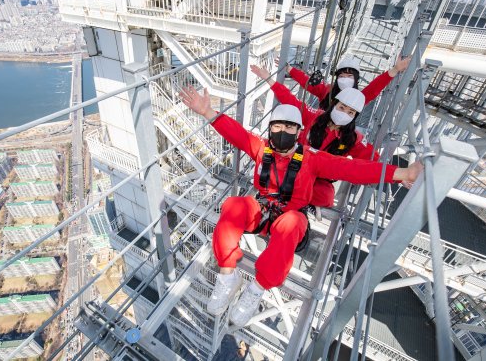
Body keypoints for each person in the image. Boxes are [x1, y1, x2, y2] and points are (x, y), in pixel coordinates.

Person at [178, 86, 423, 328]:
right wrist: (207, 111)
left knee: (292, 222)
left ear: (298, 131)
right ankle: (227, 276)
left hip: (291, 218)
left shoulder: (312, 158)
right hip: (263, 212)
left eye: (289, 126)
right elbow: (236, 134)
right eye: (277, 126)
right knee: (233, 205)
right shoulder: (261, 148)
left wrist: (400, 172)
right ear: (270, 128)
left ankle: (256, 288)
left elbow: (353, 169)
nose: (282, 131)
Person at [250, 64, 404, 208]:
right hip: (296, 164)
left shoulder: (351, 139)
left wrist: (398, 175)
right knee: (277, 174)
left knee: (326, 198)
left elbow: (372, 159)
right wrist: (269, 79)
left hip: (319, 176)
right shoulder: (315, 117)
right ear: (334, 105)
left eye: (350, 112)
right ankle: (286, 197)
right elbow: (291, 101)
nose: (344, 113)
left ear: (354, 116)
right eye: (342, 107)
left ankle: (295, 198)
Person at [275, 55, 412, 111]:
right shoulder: (327, 91)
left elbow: (374, 88)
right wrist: (290, 69)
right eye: (342, 75)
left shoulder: (358, 98)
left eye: (349, 75)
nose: (345, 78)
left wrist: (394, 70)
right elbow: (307, 82)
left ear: (356, 79)